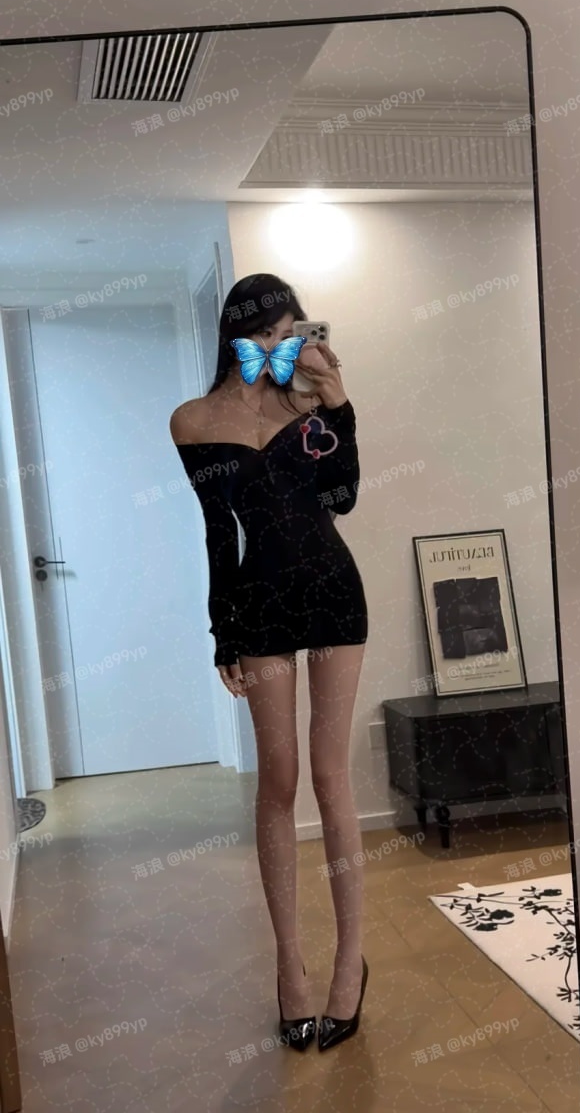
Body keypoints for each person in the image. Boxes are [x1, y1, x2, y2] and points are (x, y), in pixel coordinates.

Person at [169, 273, 369, 1052]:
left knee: (331, 776)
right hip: (260, 606)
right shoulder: (194, 420)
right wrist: (222, 631)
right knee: (279, 779)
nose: (282, 346)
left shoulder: (309, 405)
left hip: (333, 594)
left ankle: (349, 962)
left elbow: (343, 498)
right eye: (269, 333)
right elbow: (218, 533)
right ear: (236, 335)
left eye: (292, 333)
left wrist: (337, 398)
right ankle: (290, 964)